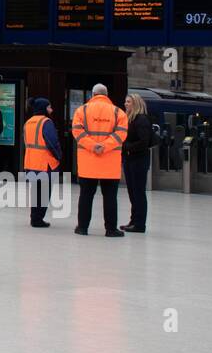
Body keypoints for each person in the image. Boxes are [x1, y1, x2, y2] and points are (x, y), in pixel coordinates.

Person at [72, 83, 128, 237]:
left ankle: (82, 227)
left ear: (93, 94)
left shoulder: (81, 110)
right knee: (110, 197)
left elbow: (77, 131)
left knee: (86, 196)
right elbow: (122, 134)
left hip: (87, 162)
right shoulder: (118, 113)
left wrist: (93, 146)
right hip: (110, 163)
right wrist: (105, 146)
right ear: (106, 95)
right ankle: (110, 229)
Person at [22, 97, 61, 228]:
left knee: (35, 192)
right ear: (44, 108)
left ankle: (34, 218)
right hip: (45, 163)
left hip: (30, 162)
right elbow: (52, 142)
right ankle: (39, 219)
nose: (51, 109)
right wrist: (59, 156)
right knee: (44, 193)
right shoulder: (46, 122)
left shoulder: (28, 122)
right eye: (49, 107)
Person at [121, 92, 153, 233]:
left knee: (138, 192)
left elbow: (144, 141)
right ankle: (133, 220)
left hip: (138, 160)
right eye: (126, 101)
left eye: (128, 102)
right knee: (132, 191)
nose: (125, 104)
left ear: (135, 104)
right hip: (130, 159)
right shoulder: (129, 119)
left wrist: (127, 146)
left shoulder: (141, 120)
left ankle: (140, 224)